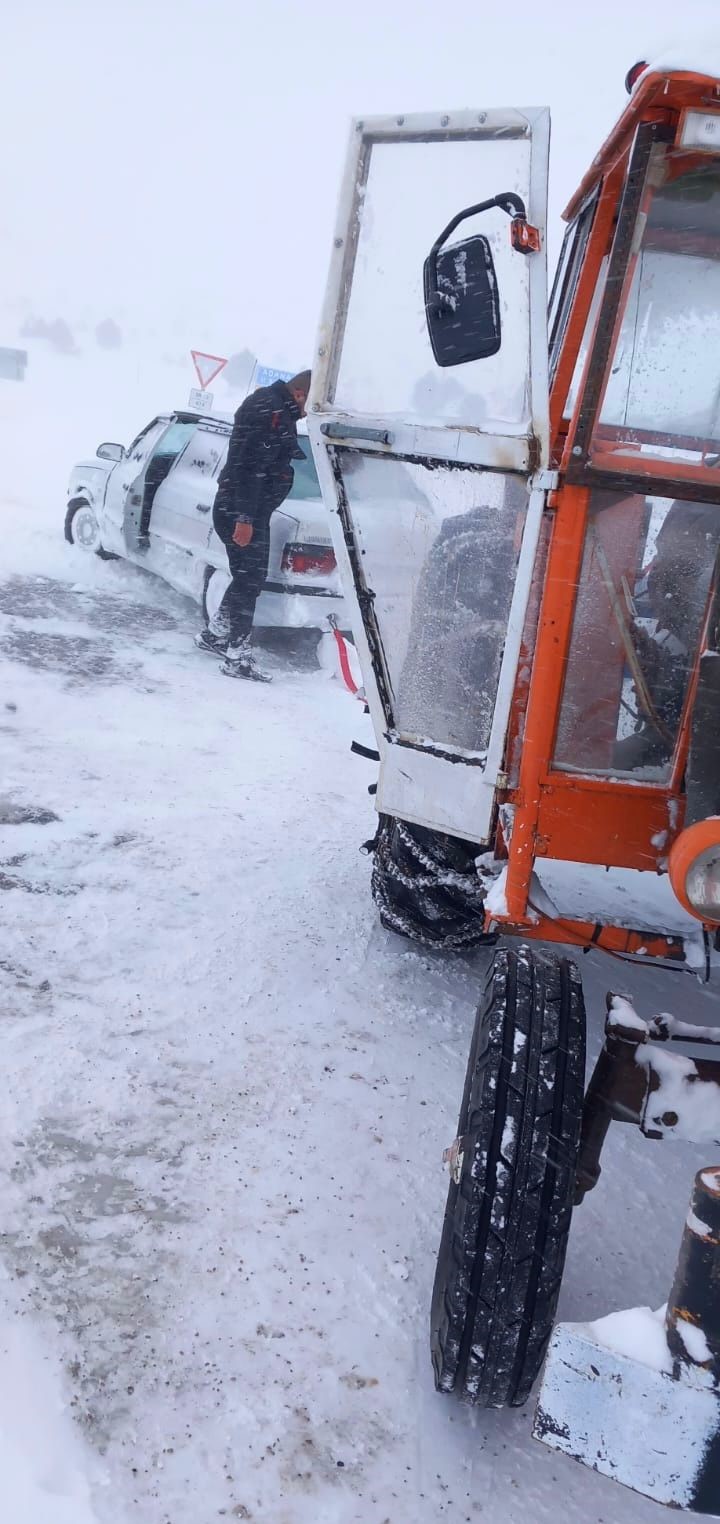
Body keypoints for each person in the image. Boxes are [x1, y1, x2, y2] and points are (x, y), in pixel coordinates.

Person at [196, 370, 312, 681]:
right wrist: (245, 518)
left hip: (245, 509)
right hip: (241, 511)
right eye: (309, 405)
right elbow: (250, 469)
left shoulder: (272, 407)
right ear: (300, 394)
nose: (307, 414)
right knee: (250, 580)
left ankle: (216, 634)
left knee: (249, 577)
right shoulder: (271, 412)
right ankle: (237, 657)